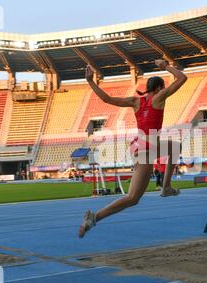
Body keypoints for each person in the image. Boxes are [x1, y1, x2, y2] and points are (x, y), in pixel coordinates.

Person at [79, 60, 188, 238]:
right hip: (146, 150)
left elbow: (106, 99)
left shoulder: (136, 101)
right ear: (159, 88)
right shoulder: (159, 98)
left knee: (175, 147)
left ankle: (166, 187)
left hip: (139, 145)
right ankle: (94, 217)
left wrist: (90, 81)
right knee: (132, 198)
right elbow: (182, 78)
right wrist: (165, 66)